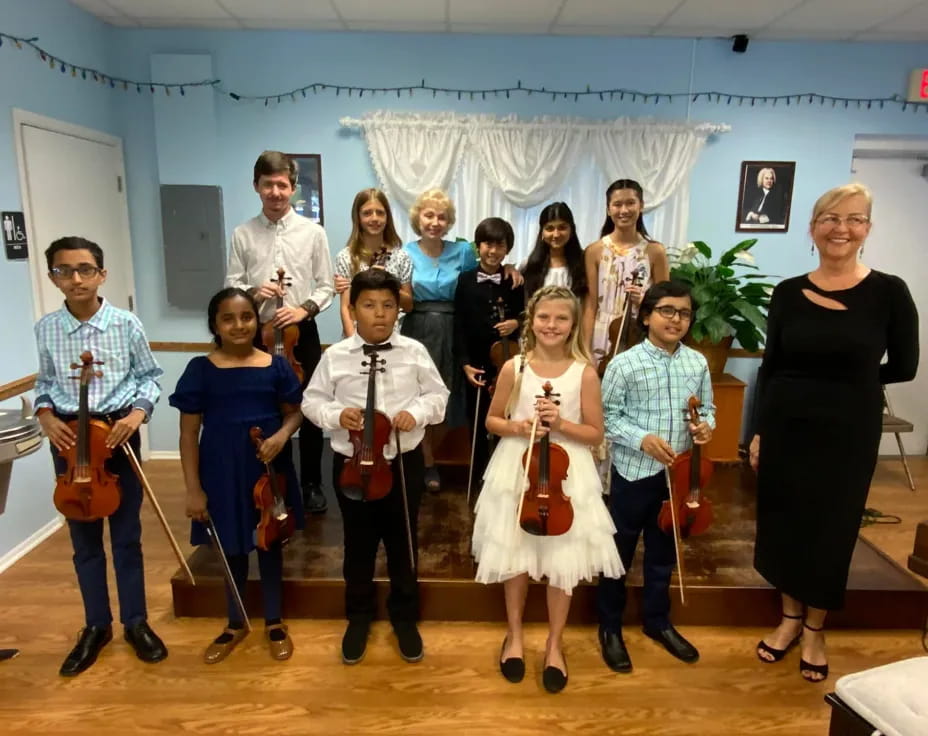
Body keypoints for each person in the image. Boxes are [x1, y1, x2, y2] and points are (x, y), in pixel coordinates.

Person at [751, 183, 918, 683]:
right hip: (786, 427)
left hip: (847, 431)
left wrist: (846, 383)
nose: (841, 228)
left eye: (854, 218)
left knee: (830, 529)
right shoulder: (786, 292)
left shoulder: (890, 292)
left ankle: (816, 630)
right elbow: (772, 366)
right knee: (783, 524)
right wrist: (758, 432)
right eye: (829, 218)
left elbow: (905, 366)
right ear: (813, 227)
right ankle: (789, 619)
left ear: (867, 228)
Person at [472, 285, 623, 693]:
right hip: (517, 467)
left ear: (573, 324)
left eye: (560, 318)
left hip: (566, 473)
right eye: (543, 317)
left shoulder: (585, 372)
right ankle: (515, 635)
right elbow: (492, 421)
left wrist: (561, 425)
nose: (551, 325)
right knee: (515, 554)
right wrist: (518, 426)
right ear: (531, 321)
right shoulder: (514, 368)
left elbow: (594, 434)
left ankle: (555, 643)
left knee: (562, 560)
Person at [34, 236, 166, 677]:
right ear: (53, 277)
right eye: (64, 271)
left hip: (117, 437)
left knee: (126, 535)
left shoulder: (126, 324)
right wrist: (44, 413)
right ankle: (96, 625)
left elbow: (150, 376)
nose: (75, 279)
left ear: (101, 274)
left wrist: (138, 413)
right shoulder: (47, 328)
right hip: (71, 444)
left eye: (85, 269)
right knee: (83, 541)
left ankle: (135, 621)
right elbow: (46, 383)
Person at [303, 269, 449, 665]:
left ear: (398, 310)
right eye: (369, 305)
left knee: (403, 543)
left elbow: (439, 396)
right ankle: (359, 617)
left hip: (403, 462)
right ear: (352, 309)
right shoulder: (334, 357)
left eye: (388, 305)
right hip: (352, 464)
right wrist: (337, 415)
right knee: (358, 544)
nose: (380, 314)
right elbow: (311, 402)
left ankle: (405, 618)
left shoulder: (414, 352)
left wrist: (415, 412)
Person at [170, 287, 304, 664]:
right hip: (220, 472)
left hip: (267, 469)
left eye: (246, 316)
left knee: (270, 543)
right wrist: (192, 489)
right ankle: (235, 621)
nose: (238, 325)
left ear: (256, 320)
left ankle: (275, 621)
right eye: (227, 318)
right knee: (230, 548)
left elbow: (294, 413)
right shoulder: (200, 369)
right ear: (215, 324)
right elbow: (187, 434)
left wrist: (279, 437)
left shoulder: (276, 366)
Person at [598, 280, 714, 673]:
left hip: (678, 476)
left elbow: (709, 409)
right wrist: (641, 439)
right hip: (634, 472)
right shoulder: (623, 363)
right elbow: (608, 418)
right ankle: (610, 627)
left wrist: (705, 428)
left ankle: (657, 621)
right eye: (666, 310)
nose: (676, 319)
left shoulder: (696, 363)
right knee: (620, 553)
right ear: (646, 315)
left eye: (683, 313)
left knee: (664, 553)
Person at [226, 150, 335, 514]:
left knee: (310, 404)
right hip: (259, 333)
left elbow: (326, 286)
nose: (275, 192)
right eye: (268, 184)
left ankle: (312, 483)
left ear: (293, 188)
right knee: (268, 406)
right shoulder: (243, 233)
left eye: (282, 185)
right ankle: (276, 478)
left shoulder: (313, 232)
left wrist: (304, 309)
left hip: (301, 331)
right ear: (256, 186)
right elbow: (232, 285)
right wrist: (255, 292)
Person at [453, 217, 524, 486]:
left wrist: (516, 322)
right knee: (478, 420)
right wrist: (464, 363)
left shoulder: (513, 280)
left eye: (500, 246)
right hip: (477, 362)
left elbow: (527, 314)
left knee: (508, 418)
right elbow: (458, 324)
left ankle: (506, 477)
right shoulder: (465, 280)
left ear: (507, 249)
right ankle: (481, 477)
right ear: (478, 246)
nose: (493, 251)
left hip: (508, 362)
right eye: (487, 244)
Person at [583, 179, 669, 365]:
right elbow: (590, 305)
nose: (624, 210)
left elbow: (665, 303)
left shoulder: (655, 251)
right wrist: (584, 348)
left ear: (641, 206)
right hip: (602, 334)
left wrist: (645, 301)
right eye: (617, 204)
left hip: (639, 331)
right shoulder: (594, 250)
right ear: (608, 209)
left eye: (630, 203)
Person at [332, 188, 413, 336]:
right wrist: (354, 344)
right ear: (358, 217)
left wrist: (388, 281)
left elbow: (408, 305)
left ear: (387, 217)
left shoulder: (401, 257)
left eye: (380, 213)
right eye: (367, 213)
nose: (374, 218)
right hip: (356, 336)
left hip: (391, 337)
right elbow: (345, 307)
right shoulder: (345, 257)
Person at [520, 202, 588, 304]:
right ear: (542, 232)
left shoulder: (585, 262)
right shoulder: (528, 265)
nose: (556, 234)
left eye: (562, 228)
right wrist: (509, 267)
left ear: (572, 230)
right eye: (549, 228)